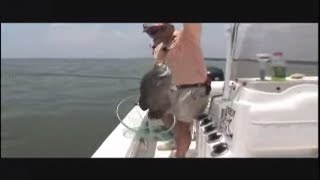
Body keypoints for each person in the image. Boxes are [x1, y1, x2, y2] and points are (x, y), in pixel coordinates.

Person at [143, 23, 211, 158]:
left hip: (193, 90)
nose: (153, 35)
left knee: (182, 126)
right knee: (160, 112)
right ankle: (177, 140)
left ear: (169, 27)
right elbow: (158, 71)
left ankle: (179, 155)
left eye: (155, 30)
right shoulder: (159, 48)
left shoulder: (187, 36)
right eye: (150, 32)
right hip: (172, 89)